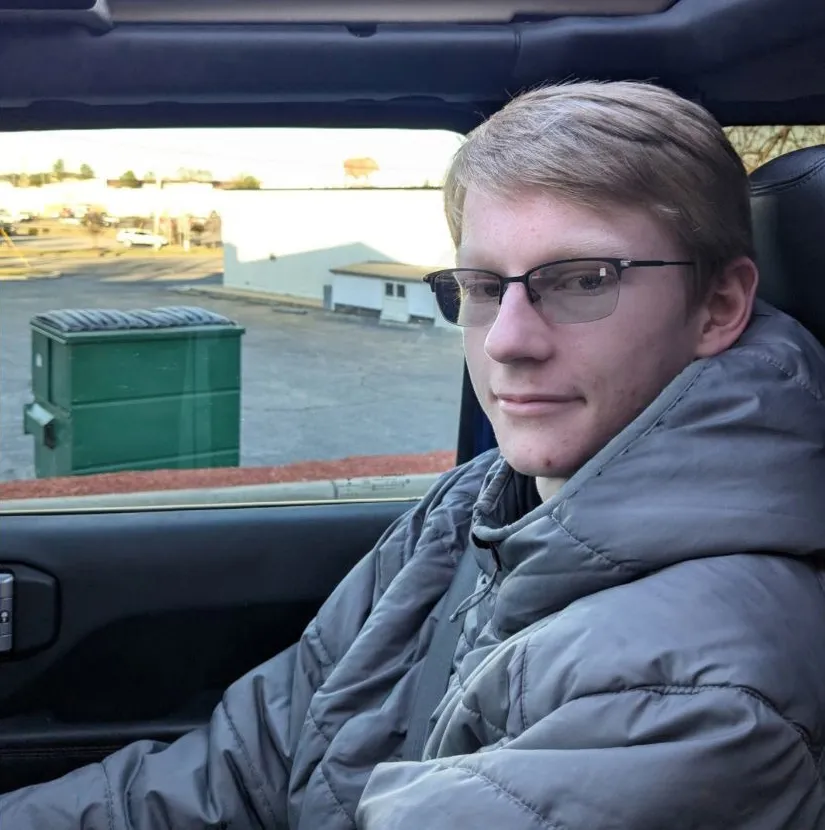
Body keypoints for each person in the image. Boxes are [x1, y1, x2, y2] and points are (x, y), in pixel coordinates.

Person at [3, 80, 825, 829]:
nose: (505, 341)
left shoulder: (701, 689)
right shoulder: (475, 505)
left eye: (581, 280)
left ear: (717, 305)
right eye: (477, 287)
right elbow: (248, 765)